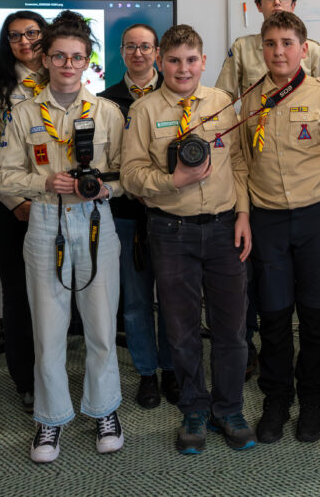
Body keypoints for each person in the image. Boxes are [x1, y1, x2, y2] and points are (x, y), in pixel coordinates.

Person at [0, 11, 126, 463]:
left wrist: (108, 187)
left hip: (95, 221)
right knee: (48, 329)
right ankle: (50, 419)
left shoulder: (107, 113)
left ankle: (105, 409)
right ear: (45, 59)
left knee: (101, 325)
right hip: (46, 222)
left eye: (77, 57)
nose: (68, 65)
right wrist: (43, 183)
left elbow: (128, 175)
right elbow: (2, 175)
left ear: (87, 61)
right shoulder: (23, 113)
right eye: (59, 57)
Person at [121, 24, 256, 454]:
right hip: (170, 230)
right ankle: (194, 407)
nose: (183, 69)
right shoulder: (144, 111)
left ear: (202, 60)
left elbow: (238, 163)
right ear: (160, 61)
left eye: (192, 60)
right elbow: (129, 175)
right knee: (179, 328)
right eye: (174, 60)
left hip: (222, 229)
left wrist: (243, 215)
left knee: (231, 327)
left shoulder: (221, 104)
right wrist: (170, 180)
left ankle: (228, 407)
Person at [242, 11, 320, 444]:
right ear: (262, 49)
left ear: (304, 48)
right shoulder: (250, 98)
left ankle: (313, 398)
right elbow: (241, 163)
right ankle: (276, 397)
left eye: (287, 43)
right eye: (271, 43)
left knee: (316, 316)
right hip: (267, 218)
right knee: (273, 315)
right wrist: (243, 215)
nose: (279, 51)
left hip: (317, 216)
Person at [214, 0, 320, 380]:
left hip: (306, 181)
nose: (276, 2)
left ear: (294, 4)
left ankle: (311, 377)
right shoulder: (243, 49)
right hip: (258, 172)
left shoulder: (311, 49)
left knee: (313, 299)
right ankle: (254, 358)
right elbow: (226, 100)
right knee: (262, 290)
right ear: (257, 5)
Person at [98, 24, 178, 410]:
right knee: (135, 300)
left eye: (146, 47)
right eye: (131, 47)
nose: (139, 54)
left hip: (173, 211)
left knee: (176, 298)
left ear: (157, 52)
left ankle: (173, 369)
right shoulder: (105, 102)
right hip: (127, 214)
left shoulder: (178, 93)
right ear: (122, 52)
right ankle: (147, 372)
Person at [0, 10, 48, 414]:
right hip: (9, 209)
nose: (24, 42)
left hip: (54, 204)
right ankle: (27, 379)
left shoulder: (64, 79)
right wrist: (15, 203)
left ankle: (55, 374)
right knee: (20, 295)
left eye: (32, 33)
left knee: (56, 296)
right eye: (14, 37)